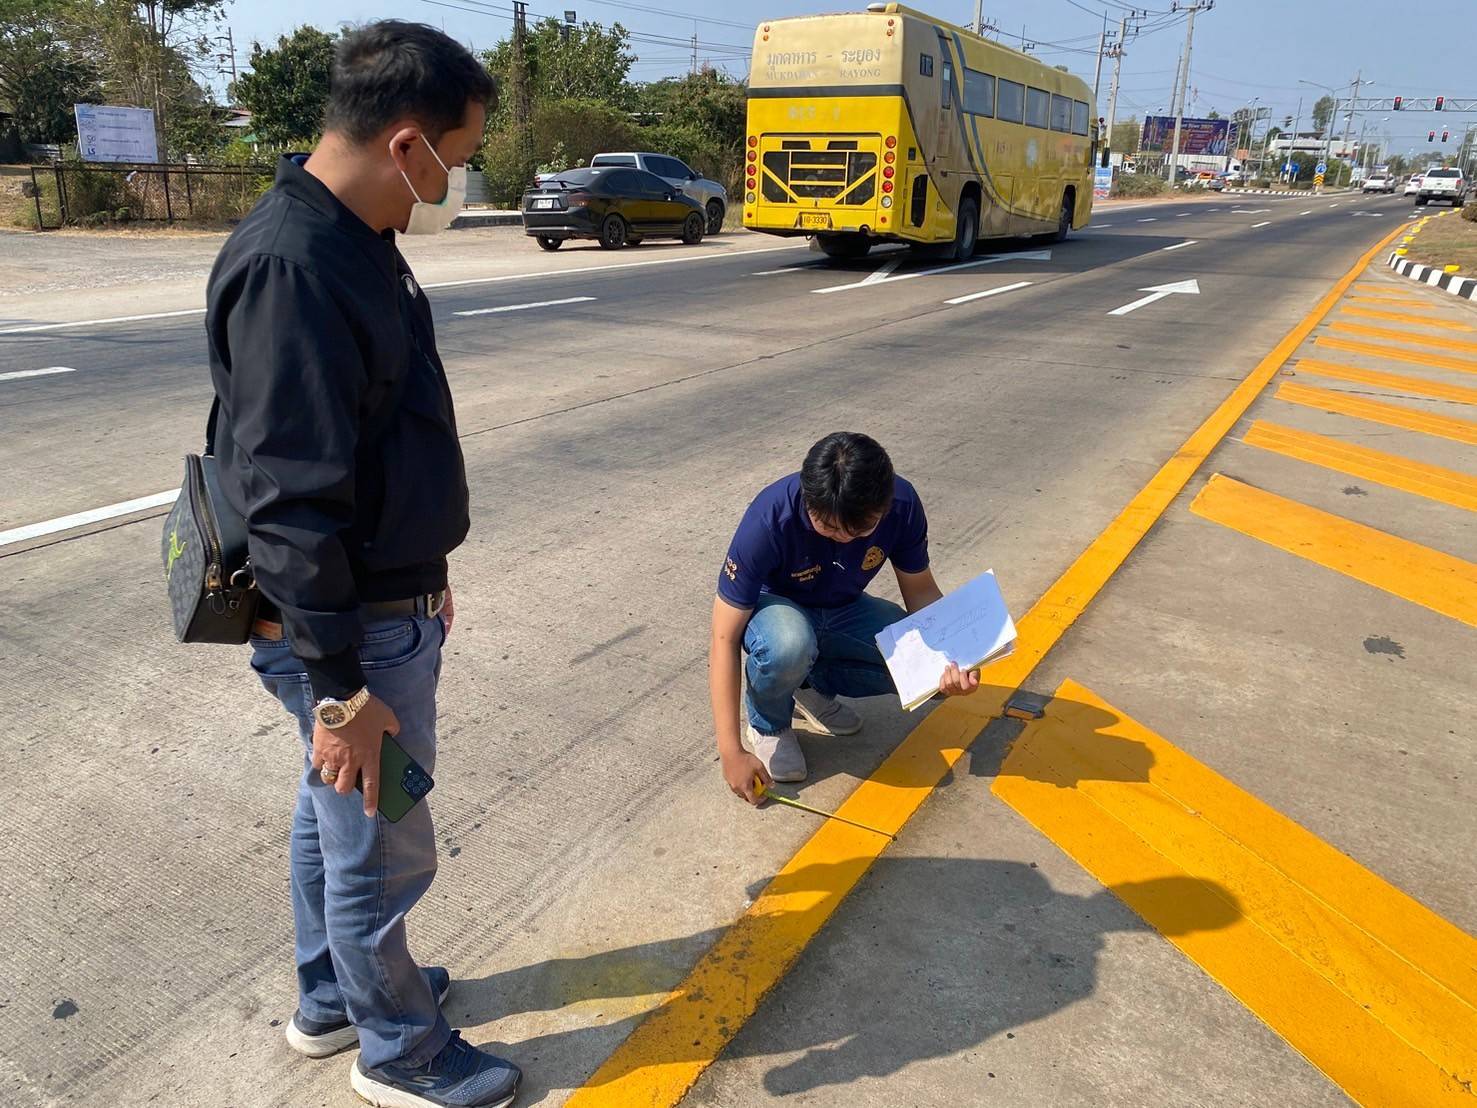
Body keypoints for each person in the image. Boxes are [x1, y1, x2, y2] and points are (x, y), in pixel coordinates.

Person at [206, 22, 520, 1108]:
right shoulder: (294, 265)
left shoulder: (353, 234)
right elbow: (290, 504)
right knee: (383, 846)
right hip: (351, 632)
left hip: (383, 601)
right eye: (457, 158)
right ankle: (400, 1049)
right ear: (405, 145)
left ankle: (332, 998)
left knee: (333, 817)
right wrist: (340, 687)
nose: (453, 182)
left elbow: (380, 437)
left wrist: (428, 568)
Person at [710, 432, 980, 804]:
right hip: (776, 610)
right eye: (829, 527)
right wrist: (731, 751)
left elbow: (920, 591)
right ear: (808, 498)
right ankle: (768, 723)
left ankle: (808, 686)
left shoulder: (902, 505)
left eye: (859, 530)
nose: (843, 539)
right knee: (789, 644)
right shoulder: (769, 518)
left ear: (885, 506)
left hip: (843, 607)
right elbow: (723, 637)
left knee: (926, 677)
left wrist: (955, 658)